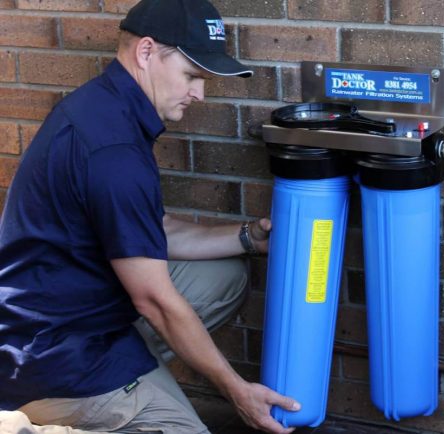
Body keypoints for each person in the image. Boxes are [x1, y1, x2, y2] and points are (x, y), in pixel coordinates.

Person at [0, 0, 300, 433]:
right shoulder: (114, 152)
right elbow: (154, 300)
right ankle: (28, 424)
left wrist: (248, 238)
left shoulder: (104, 107)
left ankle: (135, 378)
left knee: (224, 276)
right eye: (192, 75)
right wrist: (236, 390)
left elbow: (146, 231)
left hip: (71, 313)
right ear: (145, 52)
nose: (200, 93)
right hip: (55, 356)